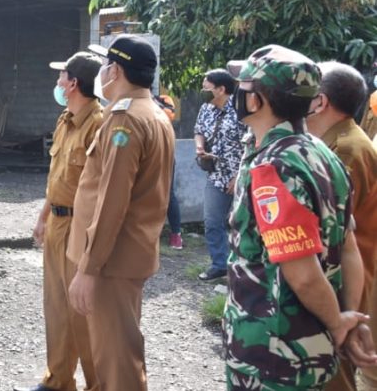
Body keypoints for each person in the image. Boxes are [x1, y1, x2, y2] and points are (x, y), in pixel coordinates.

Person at [224, 45, 377, 388]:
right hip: (303, 350)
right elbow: (347, 245)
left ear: (256, 101)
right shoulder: (321, 151)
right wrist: (345, 317)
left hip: (272, 355)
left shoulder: (273, 167)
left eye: (243, 87)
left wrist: (340, 322)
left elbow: (302, 272)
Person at [66, 35, 175, 390]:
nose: (102, 73)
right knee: (113, 350)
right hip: (127, 254)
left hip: (112, 261)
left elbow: (112, 200)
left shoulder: (125, 120)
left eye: (105, 66)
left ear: (115, 70)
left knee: (117, 359)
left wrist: (89, 266)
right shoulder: (153, 113)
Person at [17, 52, 103, 391]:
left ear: (74, 84)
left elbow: (97, 190)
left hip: (79, 228)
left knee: (83, 311)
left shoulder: (98, 123)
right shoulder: (65, 119)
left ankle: (98, 383)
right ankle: (58, 381)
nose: (57, 82)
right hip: (56, 223)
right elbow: (58, 179)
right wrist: (42, 217)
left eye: (61, 76)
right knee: (56, 308)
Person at [307, 62, 377, 390]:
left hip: (346, 282)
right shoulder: (336, 142)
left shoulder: (346, 149)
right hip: (337, 279)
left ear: (320, 102)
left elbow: (335, 231)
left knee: (334, 374)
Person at [193, 68, 247, 281]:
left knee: (242, 224)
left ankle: (243, 269)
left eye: (207, 87)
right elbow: (198, 129)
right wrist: (200, 148)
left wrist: (240, 175)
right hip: (215, 174)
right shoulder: (206, 108)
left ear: (221, 89)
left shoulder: (242, 110)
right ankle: (219, 264)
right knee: (213, 221)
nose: (203, 91)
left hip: (241, 176)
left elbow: (253, 143)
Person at [154, 91, 183, 249]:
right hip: (142, 154)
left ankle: (176, 234)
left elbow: (168, 116)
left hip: (164, 155)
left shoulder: (163, 100)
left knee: (168, 193)